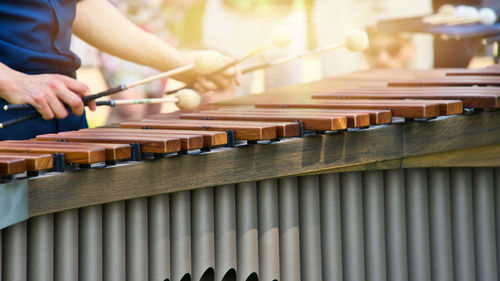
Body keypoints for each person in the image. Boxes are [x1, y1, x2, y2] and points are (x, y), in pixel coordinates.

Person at [0, 0, 239, 140]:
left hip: (61, 116)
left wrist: (179, 63)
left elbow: (78, 6)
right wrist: (11, 81)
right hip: (7, 113)